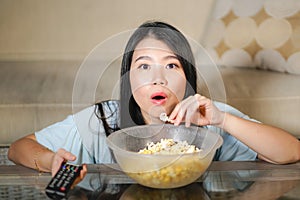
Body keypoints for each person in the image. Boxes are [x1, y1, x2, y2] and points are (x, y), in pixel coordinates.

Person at [8, 21, 300, 181]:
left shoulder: (208, 115)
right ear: (128, 78)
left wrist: (223, 120)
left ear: (187, 77)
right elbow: (19, 148)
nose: (158, 78)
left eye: (171, 66)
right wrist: (50, 162)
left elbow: (291, 152)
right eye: (144, 66)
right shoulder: (102, 119)